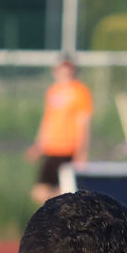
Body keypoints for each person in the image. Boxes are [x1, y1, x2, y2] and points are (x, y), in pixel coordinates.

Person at [30, 55, 93, 206]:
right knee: (39, 192)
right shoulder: (53, 91)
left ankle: (63, 209)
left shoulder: (80, 92)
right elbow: (47, 119)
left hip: (68, 149)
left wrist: (81, 151)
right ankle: (59, 209)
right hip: (51, 149)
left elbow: (83, 123)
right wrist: (39, 145)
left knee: (67, 190)